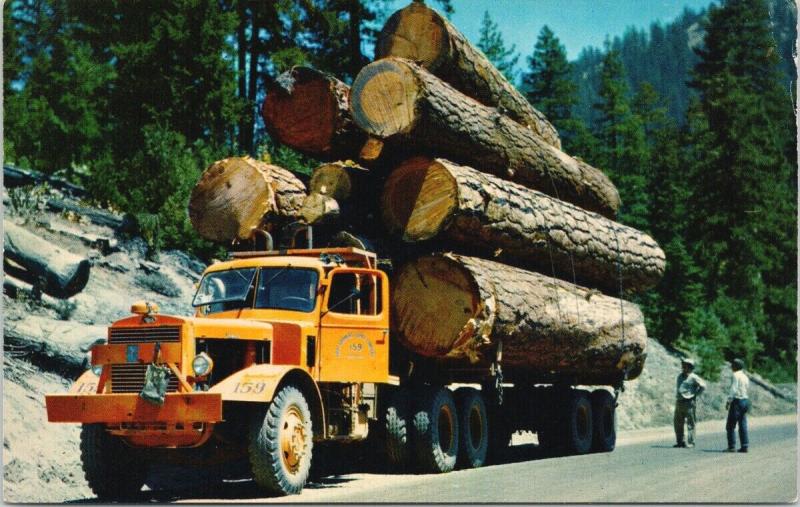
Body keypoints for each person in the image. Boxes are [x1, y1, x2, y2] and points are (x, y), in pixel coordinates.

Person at [673, 358, 706, 448]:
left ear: (690, 367)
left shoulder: (693, 377)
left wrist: (695, 394)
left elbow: (703, 386)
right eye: (683, 365)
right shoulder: (680, 376)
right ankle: (680, 442)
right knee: (678, 422)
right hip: (679, 401)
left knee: (691, 423)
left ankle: (691, 442)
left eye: (686, 365)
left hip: (689, 402)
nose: (683, 367)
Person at [726, 358, 750, 453]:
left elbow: (733, 388)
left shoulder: (735, 375)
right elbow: (747, 387)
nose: (731, 366)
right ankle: (745, 445)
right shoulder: (745, 376)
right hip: (745, 400)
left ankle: (731, 446)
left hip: (737, 401)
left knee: (730, 425)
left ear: (736, 366)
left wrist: (728, 401)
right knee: (742, 424)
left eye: (733, 365)